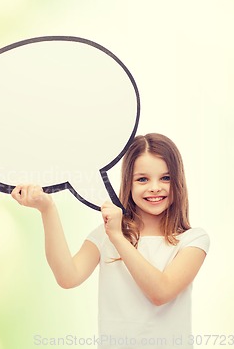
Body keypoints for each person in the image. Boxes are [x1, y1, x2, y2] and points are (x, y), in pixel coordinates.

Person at [11, 133, 209, 349]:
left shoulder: (193, 240)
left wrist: (117, 236)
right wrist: (47, 209)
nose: (154, 187)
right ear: (128, 183)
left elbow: (160, 293)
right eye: (142, 179)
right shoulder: (104, 234)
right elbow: (67, 277)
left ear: (178, 182)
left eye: (165, 178)